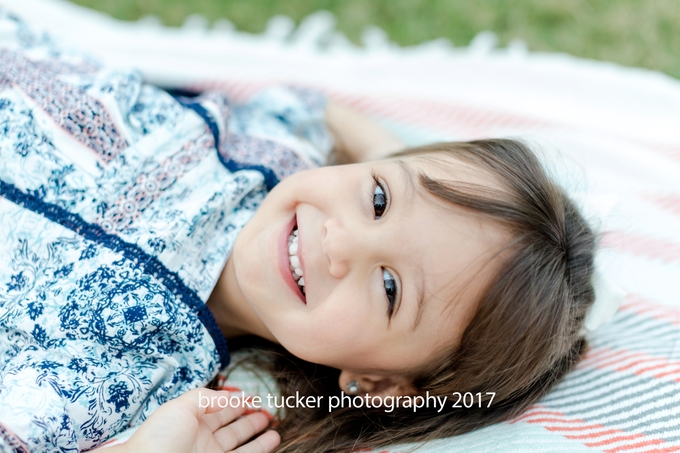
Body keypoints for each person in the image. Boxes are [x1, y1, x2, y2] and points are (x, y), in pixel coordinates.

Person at [0, 9, 597, 453]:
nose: (340, 243)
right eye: (380, 199)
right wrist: (399, 155)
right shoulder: (278, 153)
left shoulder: (143, 373)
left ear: (379, 384)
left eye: (390, 287)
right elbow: (317, 108)